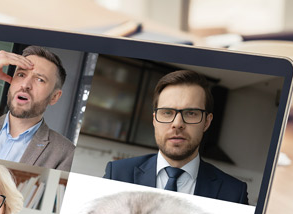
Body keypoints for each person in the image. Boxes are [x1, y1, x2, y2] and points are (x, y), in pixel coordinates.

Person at [104, 70, 249, 204]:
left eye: (191, 113)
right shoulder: (117, 174)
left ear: (206, 122)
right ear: (155, 119)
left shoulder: (234, 193)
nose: (177, 124)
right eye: (167, 112)